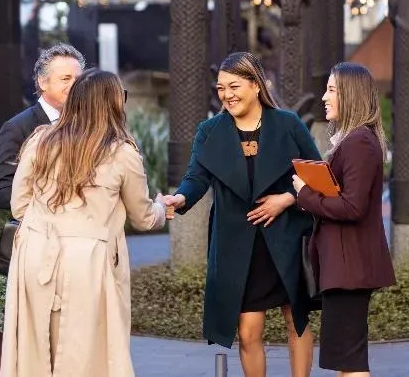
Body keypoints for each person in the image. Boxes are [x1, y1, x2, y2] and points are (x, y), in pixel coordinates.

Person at [163, 52, 320, 377]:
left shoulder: (288, 124)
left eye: (234, 86)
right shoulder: (210, 131)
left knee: (297, 321)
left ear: (255, 84)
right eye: (221, 88)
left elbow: (317, 174)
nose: (227, 95)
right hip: (238, 246)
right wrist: (179, 198)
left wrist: (287, 199)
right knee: (248, 331)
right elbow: (196, 178)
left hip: (287, 238)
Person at [0, 68, 165, 377]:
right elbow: (143, 218)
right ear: (113, 104)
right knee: (86, 356)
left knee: (34, 349)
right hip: (87, 261)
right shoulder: (121, 152)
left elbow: (19, 204)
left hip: (34, 253)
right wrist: (161, 206)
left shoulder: (40, 141)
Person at [292, 62, 396, 377]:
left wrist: (305, 193)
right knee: (346, 361)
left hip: (350, 269)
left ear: (351, 95)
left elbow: (353, 207)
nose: (324, 97)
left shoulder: (359, 142)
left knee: (350, 362)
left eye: (332, 90)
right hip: (345, 267)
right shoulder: (355, 141)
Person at [0, 43, 85, 210]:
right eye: (65, 79)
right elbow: (1, 192)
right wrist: (56, 202)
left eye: (78, 80)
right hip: (40, 232)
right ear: (43, 82)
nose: (74, 86)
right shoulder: (17, 128)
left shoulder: (89, 123)